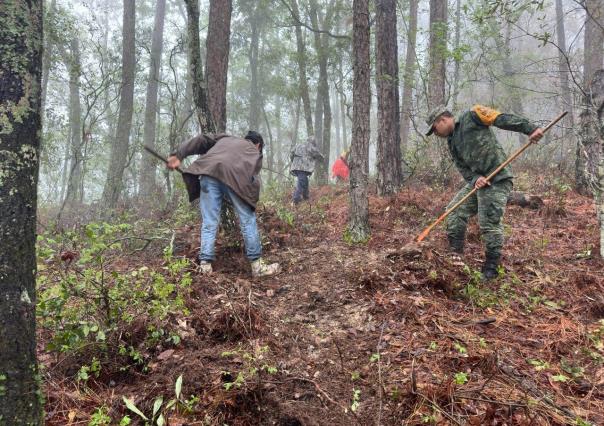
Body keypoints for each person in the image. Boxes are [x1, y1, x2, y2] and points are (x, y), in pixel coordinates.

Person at [425, 104, 544, 280]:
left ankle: (491, 269)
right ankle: (455, 256)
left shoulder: (473, 115)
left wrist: (530, 129)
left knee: (488, 222)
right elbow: (462, 167)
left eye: (435, 130)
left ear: (442, 120)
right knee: (454, 212)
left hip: (498, 178)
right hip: (480, 183)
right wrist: (475, 179)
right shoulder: (451, 142)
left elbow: (502, 119)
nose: (436, 134)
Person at [167, 131, 281, 277]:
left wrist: (179, 155)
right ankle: (257, 267)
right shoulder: (254, 152)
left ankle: (205, 266)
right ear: (258, 145)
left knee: (209, 221)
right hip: (235, 178)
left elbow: (202, 139)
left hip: (208, 173)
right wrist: (250, 202)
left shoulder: (226, 138)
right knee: (247, 220)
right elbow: (252, 180)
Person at [289, 137, 325, 204]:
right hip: (302, 168)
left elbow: (291, 153)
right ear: (313, 142)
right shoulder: (310, 146)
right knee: (302, 181)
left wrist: (293, 161)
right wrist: (323, 159)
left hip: (297, 167)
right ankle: (296, 198)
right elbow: (317, 154)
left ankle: (306, 196)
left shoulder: (298, 145)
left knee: (305, 180)